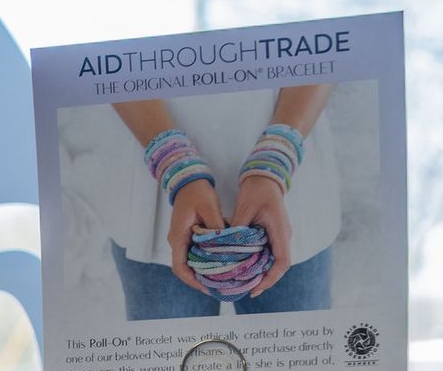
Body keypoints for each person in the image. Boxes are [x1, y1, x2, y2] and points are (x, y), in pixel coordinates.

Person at [100, 83, 336, 318]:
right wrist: (173, 163)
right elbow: (108, 58)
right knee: (170, 354)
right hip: (151, 192)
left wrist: (274, 162)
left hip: (292, 187)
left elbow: (324, 51)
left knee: (298, 353)